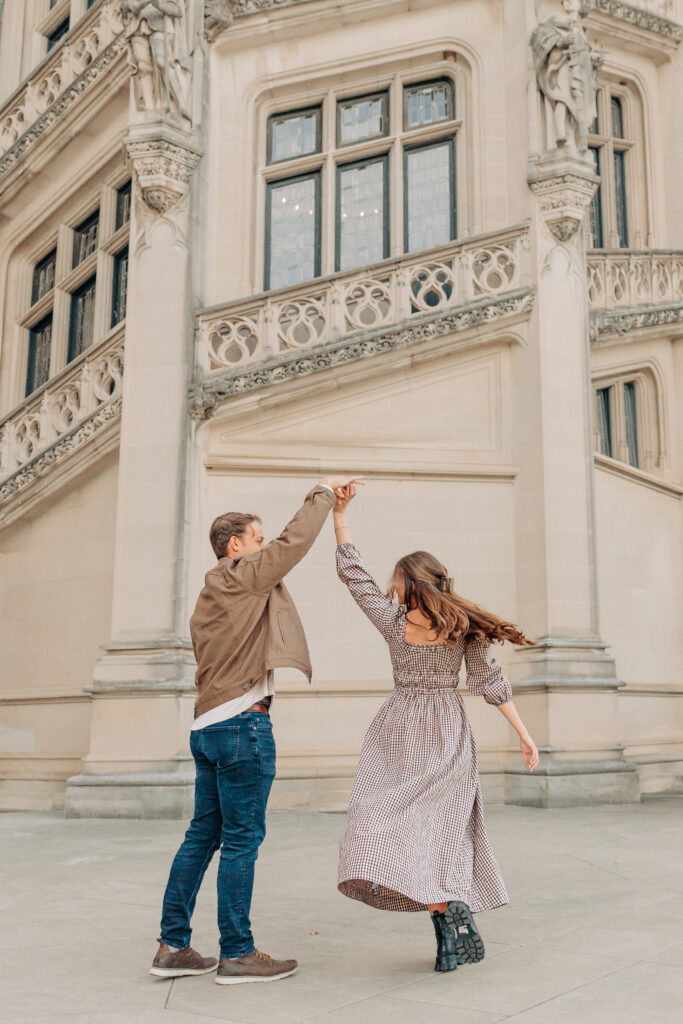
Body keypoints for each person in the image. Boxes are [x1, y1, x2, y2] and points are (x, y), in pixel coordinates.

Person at [150, 476, 362, 985]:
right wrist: (323, 494)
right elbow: (294, 545)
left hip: (206, 727)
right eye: (257, 539)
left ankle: (172, 945)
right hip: (243, 725)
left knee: (202, 837)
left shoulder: (209, 596)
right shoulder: (243, 574)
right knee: (242, 841)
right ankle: (238, 953)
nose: (264, 547)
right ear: (235, 546)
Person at [332, 486, 539, 972]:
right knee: (384, 820)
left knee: (435, 834)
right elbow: (355, 577)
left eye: (398, 582)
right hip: (413, 734)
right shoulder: (401, 621)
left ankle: (449, 928)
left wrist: (525, 735)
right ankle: (453, 918)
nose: (392, 589)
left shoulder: (458, 626)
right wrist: (340, 516)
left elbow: (490, 681)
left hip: (424, 732)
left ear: (412, 583)